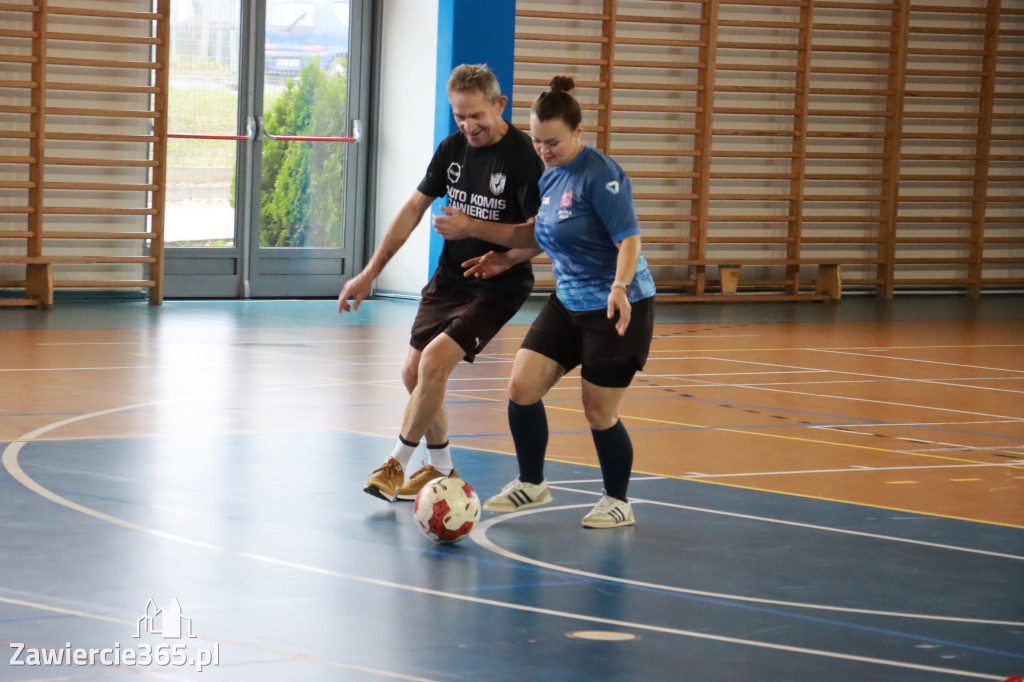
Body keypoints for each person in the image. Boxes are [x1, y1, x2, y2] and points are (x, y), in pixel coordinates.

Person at [433, 75, 656, 528]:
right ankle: (532, 483)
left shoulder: (602, 176)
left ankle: (618, 501)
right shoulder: (551, 176)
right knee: (522, 386)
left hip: (616, 306)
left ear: (579, 133)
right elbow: (542, 232)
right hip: (568, 300)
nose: (543, 151)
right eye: (536, 141)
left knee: (598, 410)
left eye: (552, 142)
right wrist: (506, 258)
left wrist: (618, 286)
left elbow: (629, 239)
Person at [338, 64, 544, 503]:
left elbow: (539, 234)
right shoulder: (452, 149)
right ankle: (442, 468)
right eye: (459, 116)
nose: (468, 126)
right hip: (449, 279)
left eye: (476, 116)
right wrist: (369, 273)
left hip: (498, 286)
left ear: (499, 105)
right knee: (412, 373)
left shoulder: (523, 158)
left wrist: (499, 255)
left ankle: (396, 465)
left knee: (433, 363)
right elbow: (414, 209)